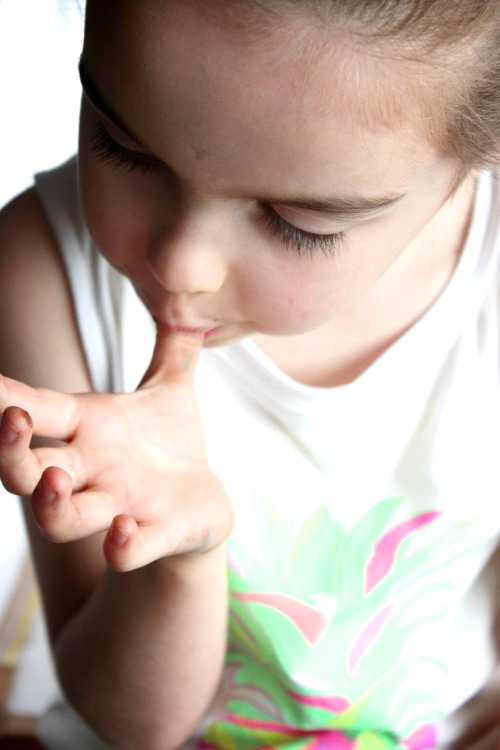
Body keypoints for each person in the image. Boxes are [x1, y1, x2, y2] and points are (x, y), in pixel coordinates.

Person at [0, 0, 499, 748]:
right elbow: (131, 724)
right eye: (125, 149)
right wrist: (176, 559)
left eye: (299, 224)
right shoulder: (42, 274)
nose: (181, 266)